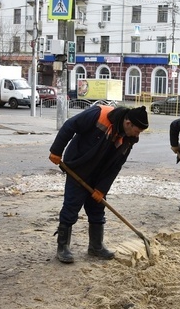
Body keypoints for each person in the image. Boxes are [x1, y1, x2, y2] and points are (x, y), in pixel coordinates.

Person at [49, 104, 149, 263]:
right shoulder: (99, 114)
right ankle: (63, 247)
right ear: (128, 123)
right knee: (72, 205)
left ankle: (96, 246)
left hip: (99, 173)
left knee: (97, 207)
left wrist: (102, 189)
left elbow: (116, 166)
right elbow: (70, 125)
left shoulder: (129, 139)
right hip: (79, 167)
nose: (138, 135)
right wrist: (56, 150)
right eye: (138, 130)